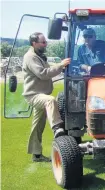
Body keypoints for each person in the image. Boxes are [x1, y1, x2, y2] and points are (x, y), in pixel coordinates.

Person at [22, 32, 71, 162]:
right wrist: (61, 65)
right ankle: (57, 129)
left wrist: (63, 68)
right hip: (34, 95)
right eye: (43, 42)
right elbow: (43, 74)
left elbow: (49, 71)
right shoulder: (31, 57)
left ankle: (36, 154)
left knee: (37, 125)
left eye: (45, 42)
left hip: (41, 94)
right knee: (50, 101)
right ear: (34, 43)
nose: (46, 44)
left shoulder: (39, 56)